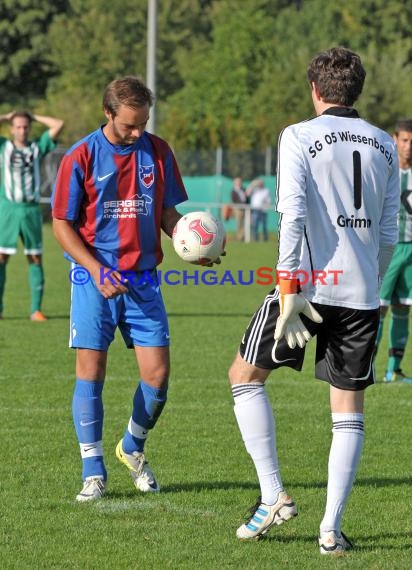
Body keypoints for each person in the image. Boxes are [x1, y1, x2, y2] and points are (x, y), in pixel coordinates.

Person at [228, 47, 399, 555]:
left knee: (244, 379)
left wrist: (286, 288)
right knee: (347, 411)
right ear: (357, 90)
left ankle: (274, 495)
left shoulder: (298, 135)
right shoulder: (386, 144)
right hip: (362, 292)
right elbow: (389, 231)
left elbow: (292, 214)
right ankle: (330, 529)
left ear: (315, 89)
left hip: (304, 287)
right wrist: (370, 277)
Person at [52, 76, 221, 502]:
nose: (137, 132)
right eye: (130, 124)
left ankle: (132, 447)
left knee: (158, 377)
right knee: (91, 373)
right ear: (107, 114)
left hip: (143, 279)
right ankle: (93, 472)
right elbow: (61, 224)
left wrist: (188, 244)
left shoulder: (158, 151)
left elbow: (166, 212)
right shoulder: (81, 157)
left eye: (143, 122)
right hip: (93, 280)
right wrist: (93, 269)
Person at [0, 110, 64, 321]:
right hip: (7, 210)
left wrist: (34, 117)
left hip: (30, 210)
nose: (22, 130)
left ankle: (36, 310)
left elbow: (58, 123)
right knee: (1, 258)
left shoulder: (38, 147)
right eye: (18, 126)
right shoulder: (4, 146)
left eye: (25, 126)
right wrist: (8, 115)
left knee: (35, 258)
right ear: (11, 129)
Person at [375, 118, 412, 383]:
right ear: (395, 139)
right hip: (388, 248)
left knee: (403, 308)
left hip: (411, 251)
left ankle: (394, 369)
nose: (409, 146)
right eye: (405, 140)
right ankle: (367, 365)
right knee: (377, 308)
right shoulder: (383, 169)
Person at [231, 177, 248, 241]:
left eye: (240, 181)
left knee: (244, 224)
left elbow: (246, 199)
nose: (239, 183)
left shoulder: (243, 189)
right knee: (239, 224)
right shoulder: (233, 190)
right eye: (237, 182)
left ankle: (243, 237)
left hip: (245, 209)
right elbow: (234, 200)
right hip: (238, 209)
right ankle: (238, 238)